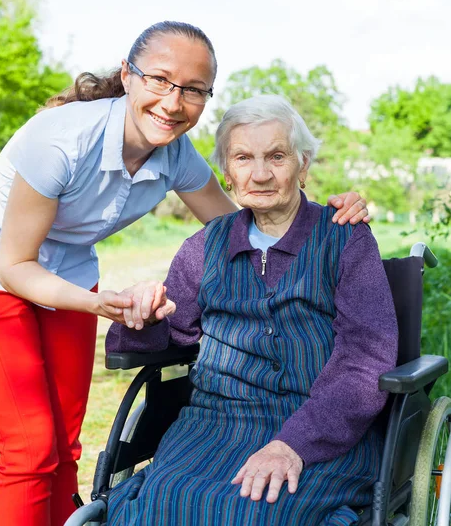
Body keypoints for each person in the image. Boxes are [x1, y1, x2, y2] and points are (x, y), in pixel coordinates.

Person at [0, 21, 368, 526]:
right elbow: (15, 264)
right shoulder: (60, 139)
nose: (173, 103)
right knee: (29, 447)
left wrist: (333, 220)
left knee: (64, 442)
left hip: (68, 266)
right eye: (159, 80)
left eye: (194, 90)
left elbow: (246, 224)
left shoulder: (175, 155)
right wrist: (108, 304)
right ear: (128, 76)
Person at [105, 94, 398, 526]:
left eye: (276, 156)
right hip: (212, 425)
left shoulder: (345, 240)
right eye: (243, 157)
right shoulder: (204, 248)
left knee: (251, 511)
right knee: (157, 504)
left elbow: (365, 360)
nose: (260, 173)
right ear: (227, 172)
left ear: (303, 165)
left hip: (319, 427)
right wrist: (143, 316)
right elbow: (169, 337)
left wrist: (294, 444)